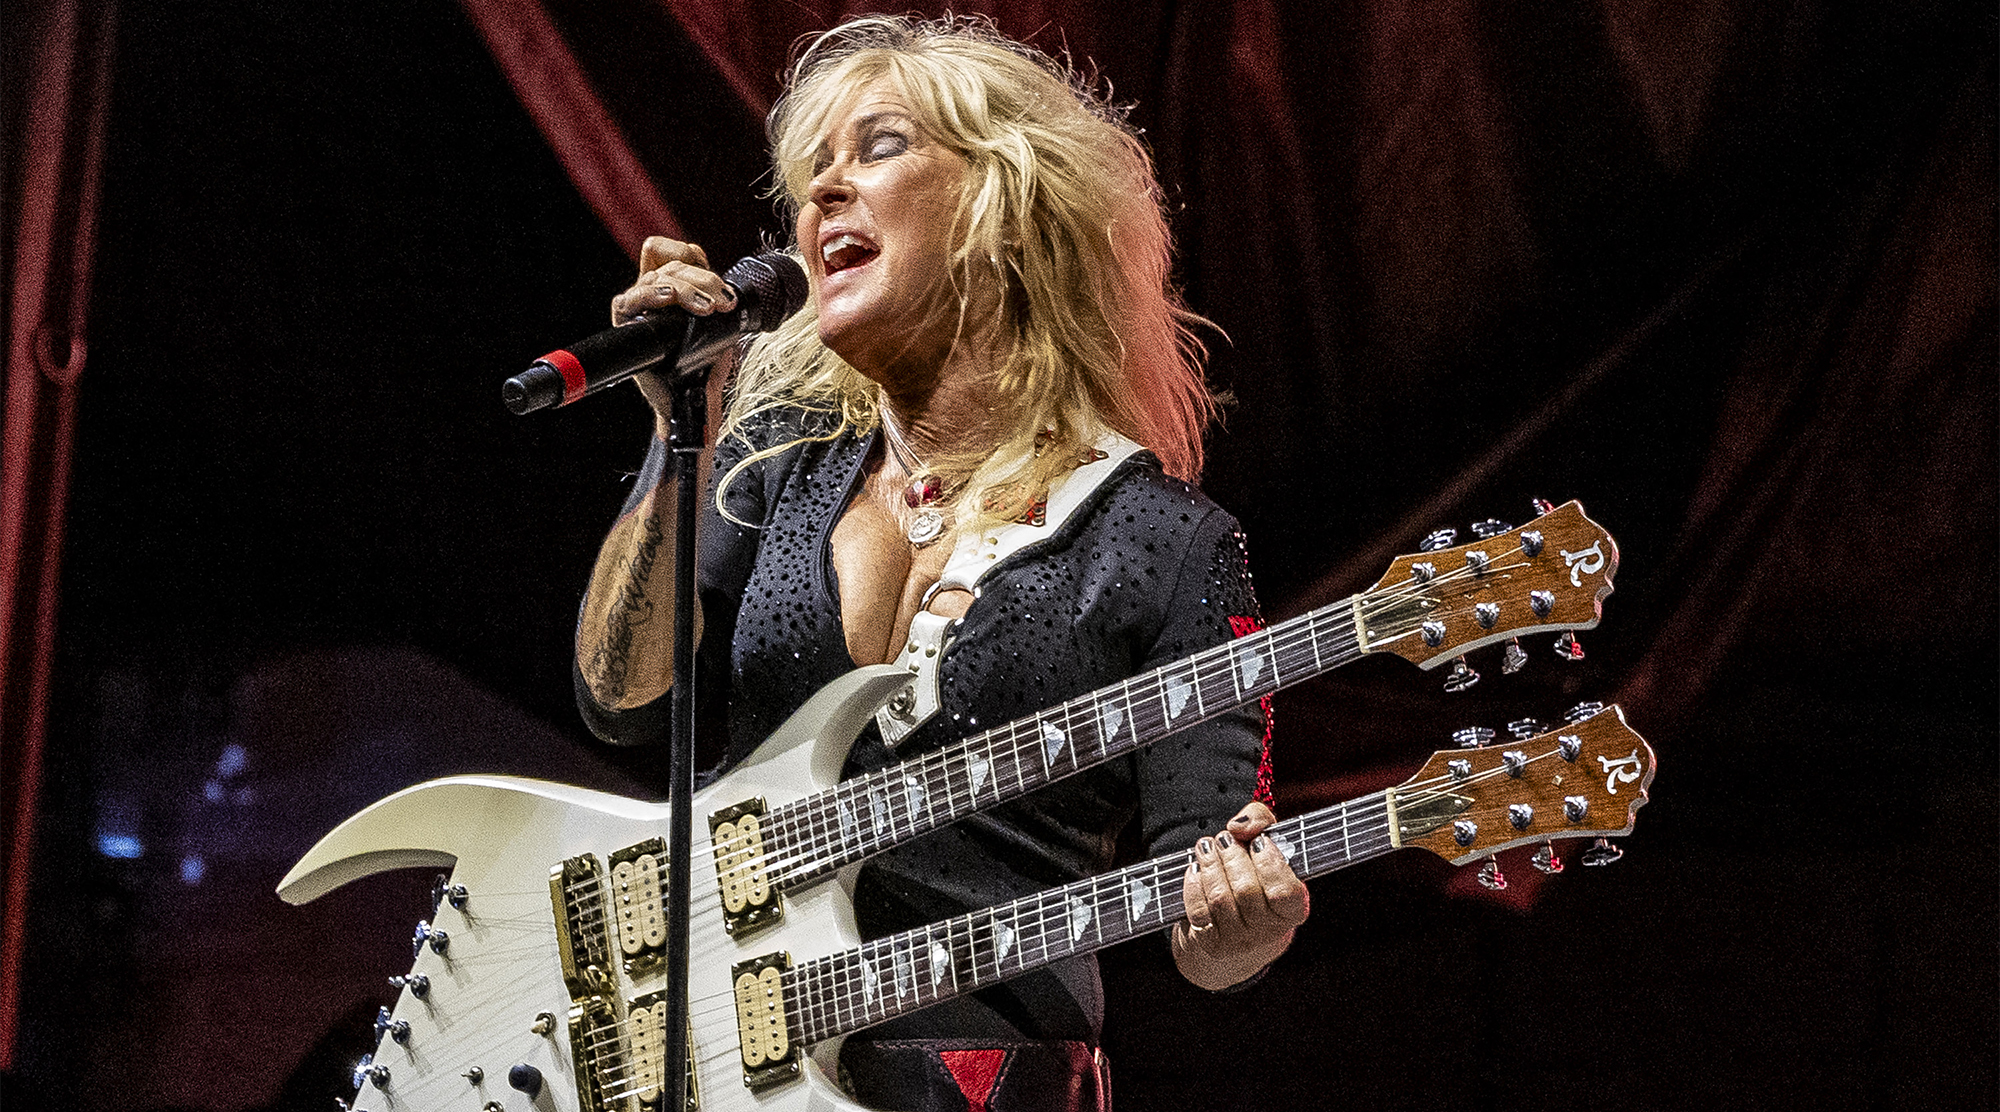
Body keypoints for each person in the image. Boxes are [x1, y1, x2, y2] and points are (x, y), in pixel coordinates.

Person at [572, 15, 1307, 1110]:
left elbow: (1209, 919)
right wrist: (681, 427)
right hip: (730, 1073)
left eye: (874, 149)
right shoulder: (774, 472)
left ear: (1001, 210)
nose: (820, 196)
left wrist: (1244, 920)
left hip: (978, 1079)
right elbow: (619, 701)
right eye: (811, 170)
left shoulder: (1163, 541)